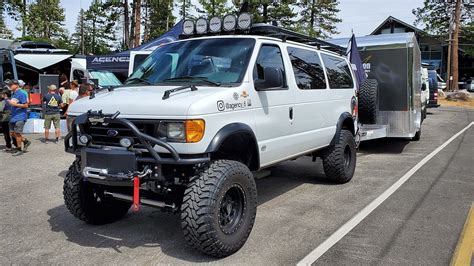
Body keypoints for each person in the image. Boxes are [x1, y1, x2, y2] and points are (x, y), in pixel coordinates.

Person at [6, 79, 31, 156]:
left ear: (16, 85)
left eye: (11, 85)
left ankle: (19, 149)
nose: (9, 86)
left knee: (17, 133)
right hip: (13, 116)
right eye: (9, 85)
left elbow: (26, 105)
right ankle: (25, 141)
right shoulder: (14, 93)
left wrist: (14, 104)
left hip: (20, 116)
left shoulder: (21, 93)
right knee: (11, 133)